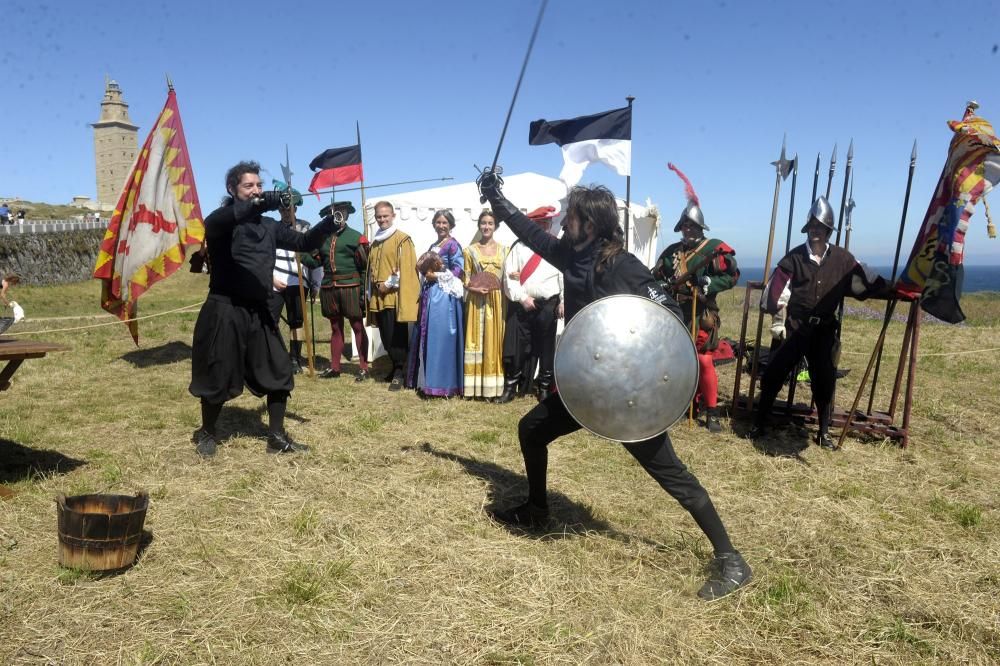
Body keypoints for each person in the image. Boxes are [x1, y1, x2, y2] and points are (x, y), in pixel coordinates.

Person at [479, 179, 752, 601]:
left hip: (628, 393)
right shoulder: (570, 254)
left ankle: (731, 558)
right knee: (532, 429)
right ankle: (536, 509)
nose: (563, 224)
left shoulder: (624, 266)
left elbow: (669, 314)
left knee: (670, 473)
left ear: (589, 223)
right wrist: (497, 199)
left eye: (570, 217)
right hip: (586, 387)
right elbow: (529, 232)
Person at [188, 160, 339, 458]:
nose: (256, 189)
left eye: (259, 185)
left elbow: (304, 240)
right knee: (218, 373)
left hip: (260, 309)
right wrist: (264, 201)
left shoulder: (269, 227)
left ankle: (276, 437)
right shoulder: (220, 222)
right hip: (225, 308)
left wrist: (329, 224)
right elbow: (233, 216)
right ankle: (207, 432)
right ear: (232, 189)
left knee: (279, 371)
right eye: (249, 186)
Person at [750, 196, 886, 449]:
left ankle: (824, 432)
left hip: (823, 329)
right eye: (812, 227)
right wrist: (777, 319)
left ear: (828, 230)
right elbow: (774, 293)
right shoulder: (794, 258)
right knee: (773, 375)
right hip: (795, 327)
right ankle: (759, 422)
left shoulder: (843, 260)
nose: (815, 231)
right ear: (807, 229)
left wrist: (894, 289)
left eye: (820, 227)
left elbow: (865, 280)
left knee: (824, 379)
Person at [652, 203, 739, 433]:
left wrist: (710, 284)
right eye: (684, 226)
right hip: (675, 312)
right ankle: (685, 404)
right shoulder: (672, 251)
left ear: (701, 227)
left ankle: (711, 413)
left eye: (692, 226)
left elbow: (732, 276)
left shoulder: (714, 248)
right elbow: (656, 276)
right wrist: (662, 285)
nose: (688, 230)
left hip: (701, 313)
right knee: (678, 361)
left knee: (703, 360)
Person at [499, 205, 564, 404]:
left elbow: (565, 275)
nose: (544, 227)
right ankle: (511, 387)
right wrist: (522, 298)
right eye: (540, 224)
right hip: (525, 303)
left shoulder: (556, 246)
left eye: (547, 223)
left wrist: (563, 300)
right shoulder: (519, 247)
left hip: (548, 304)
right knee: (519, 346)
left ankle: (543, 388)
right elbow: (508, 277)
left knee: (546, 348)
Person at [300, 201, 371, 380]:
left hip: (351, 287)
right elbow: (314, 262)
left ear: (347, 215)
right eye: (335, 212)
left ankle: (363, 367)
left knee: (357, 326)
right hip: (329, 288)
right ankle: (335, 367)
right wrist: (300, 252)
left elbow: (364, 268)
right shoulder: (322, 239)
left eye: (342, 212)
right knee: (335, 328)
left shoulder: (357, 237)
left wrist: (363, 292)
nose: (339, 215)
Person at [405, 210, 465, 397]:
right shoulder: (433, 245)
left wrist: (436, 275)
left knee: (441, 339)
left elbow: (458, 270)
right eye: (438, 222)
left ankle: (443, 384)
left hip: (444, 298)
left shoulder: (454, 245)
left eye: (445, 222)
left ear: (451, 225)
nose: (441, 226)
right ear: (434, 224)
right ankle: (426, 381)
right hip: (430, 294)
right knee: (428, 337)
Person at [366, 201, 418, 391]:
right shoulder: (376, 241)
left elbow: (406, 268)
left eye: (385, 216)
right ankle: (395, 367)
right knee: (385, 335)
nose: (382, 220)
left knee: (396, 335)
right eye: (379, 216)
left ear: (393, 216)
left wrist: (388, 285)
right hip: (378, 297)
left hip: (394, 296)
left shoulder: (402, 239)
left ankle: (399, 372)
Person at [463, 210, 508, 400]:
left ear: (495, 226)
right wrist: (473, 288)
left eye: (490, 223)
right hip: (476, 301)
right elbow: (464, 278)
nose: (486, 227)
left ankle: (492, 388)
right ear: (479, 225)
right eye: (483, 223)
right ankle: (473, 388)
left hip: (497, 301)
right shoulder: (469, 250)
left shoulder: (505, 250)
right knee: (476, 340)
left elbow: (507, 275)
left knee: (494, 340)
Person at [268, 189, 309, 375]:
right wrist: (272, 279)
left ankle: (294, 358)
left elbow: (311, 254)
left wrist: (314, 283)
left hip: (297, 280)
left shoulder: (305, 227)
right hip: (275, 281)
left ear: (295, 209)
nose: (286, 212)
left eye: (289, 209)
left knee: (296, 322)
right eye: (283, 209)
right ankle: (274, 355)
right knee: (270, 320)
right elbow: (265, 256)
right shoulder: (271, 229)